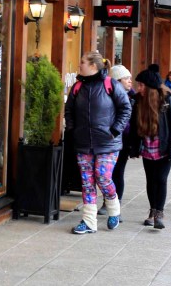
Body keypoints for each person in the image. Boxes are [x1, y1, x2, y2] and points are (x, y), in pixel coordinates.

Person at [64, 51, 132, 234]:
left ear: (93, 66)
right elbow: (69, 110)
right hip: (83, 143)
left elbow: (126, 108)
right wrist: (72, 129)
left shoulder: (111, 84)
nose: (79, 65)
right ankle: (89, 222)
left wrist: (115, 130)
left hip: (108, 143)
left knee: (102, 177)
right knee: (87, 182)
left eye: (82, 62)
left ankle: (114, 210)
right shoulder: (77, 87)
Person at [129, 64, 171, 229]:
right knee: (151, 180)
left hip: (164, 148)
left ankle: (159, 213)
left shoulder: (167, 101)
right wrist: (134, 147)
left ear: (150, 87)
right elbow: (133, 127)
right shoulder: (138, 101)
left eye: (141, 85)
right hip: (147, 148)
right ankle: (152, 210)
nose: (138, 88)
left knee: (161, 179)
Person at [109, 64, 136, 215]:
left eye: (130, 78)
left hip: (124, 141)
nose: (130, 81)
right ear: (117, 81)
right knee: (107, 174)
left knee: (118, 172)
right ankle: (109, 201)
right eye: (126, 78)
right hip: (109, 140)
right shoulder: (108, 96)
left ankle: (116, 204)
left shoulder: (133, 97)